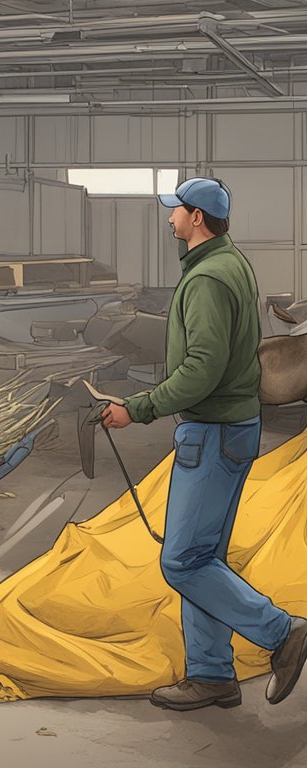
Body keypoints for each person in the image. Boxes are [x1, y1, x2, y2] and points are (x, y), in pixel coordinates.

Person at [103, 177, 307, 711]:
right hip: (232, 429)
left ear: (197, 218)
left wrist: (137, 408)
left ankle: (283, 632)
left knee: (182, 562)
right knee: (205, 557)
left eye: (176, 211)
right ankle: (212, 674)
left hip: (212, 433)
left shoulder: (208, 279)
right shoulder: (231, 264)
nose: (169, 218)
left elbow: (201, 370)